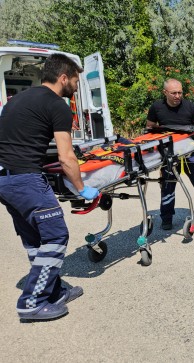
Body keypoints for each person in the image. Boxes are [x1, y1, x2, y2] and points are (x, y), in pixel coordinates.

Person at [0, 54, 99, 321]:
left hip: (5, 180)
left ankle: (53, 291)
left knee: (34, 239)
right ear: (63, 77)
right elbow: (66, 157)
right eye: (76, 81)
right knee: (55, 236)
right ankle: (32, 301)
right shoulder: (57, 105)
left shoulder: (14, 101)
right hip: (26, 180)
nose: (77, 88)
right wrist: (81, 188)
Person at [147, 78, 194, 229]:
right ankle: (167, 218)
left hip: (190, 150)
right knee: (168, 185)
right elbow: (149, 127)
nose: (177, 96)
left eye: (180, 92)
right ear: (165, 93)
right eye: (174, 93)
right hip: (168, 153)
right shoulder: (157, 107)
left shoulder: (190, 106)